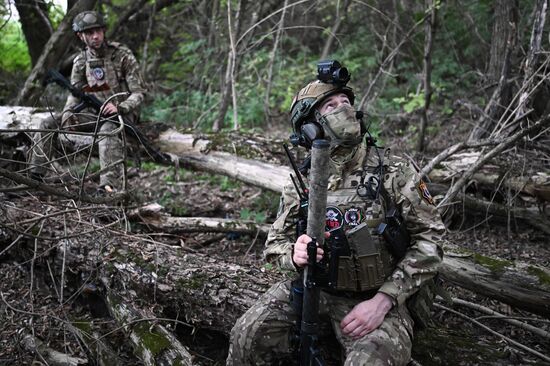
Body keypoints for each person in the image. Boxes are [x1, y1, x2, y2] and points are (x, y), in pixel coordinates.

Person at [227, 61, 445, 365]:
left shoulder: (393, 170)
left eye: (346, 101)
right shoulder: (301, 180)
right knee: (246, 335)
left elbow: (431, 240)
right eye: (330, 104)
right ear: (309, 126)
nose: (343, 108)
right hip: (314, 289)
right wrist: (294, 254)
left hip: (376, 295)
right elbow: (274, 243)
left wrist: (385, 300)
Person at [29, 10, 146, 192]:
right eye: (90, 33)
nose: (96, 36)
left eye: (98, 31)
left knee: (108, 129)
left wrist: (120, 107)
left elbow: (138, 93)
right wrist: (69, 112)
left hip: (121, 115)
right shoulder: (81, 60)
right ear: (80, 36)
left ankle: (108, 187)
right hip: (92, 114)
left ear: (104, 31)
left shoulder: (122, 55)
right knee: (48, 122)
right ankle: (33, 178)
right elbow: (76, 93)